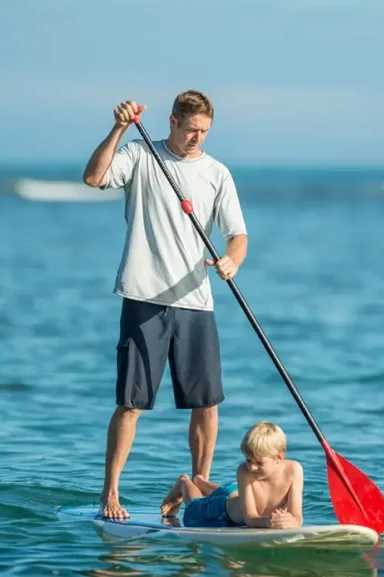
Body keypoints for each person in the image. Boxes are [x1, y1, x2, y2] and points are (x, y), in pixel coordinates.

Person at [81, 90, 249, 519]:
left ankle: (198, 489)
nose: (197, 138)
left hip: (195, 301)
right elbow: (94, 178)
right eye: (191, 129)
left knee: (206, 403)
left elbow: (237, 234)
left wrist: (231, 260)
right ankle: (110, 494)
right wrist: (119, 127)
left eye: (205, 131)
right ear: (172, 121)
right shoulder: (139, 154)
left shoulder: (216, 172)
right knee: (131, 403)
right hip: (143, 297)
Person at [159, 421, 304, 529]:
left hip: (236, 492)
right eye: (248, 460)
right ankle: (184, 483)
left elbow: (297, 516)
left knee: (230, 492)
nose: (252, 467)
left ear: (279, 457)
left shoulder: (294, 470)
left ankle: (200, 482)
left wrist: (291, 522)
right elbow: (250, 518)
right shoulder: (244, 471)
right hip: (221, 507)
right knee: (194, 507)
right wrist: (267, 522)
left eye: (259, 463)